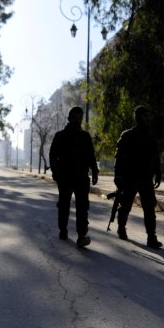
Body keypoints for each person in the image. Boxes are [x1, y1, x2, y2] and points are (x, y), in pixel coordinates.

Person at [48, 106, 99, 248]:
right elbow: (53, 156)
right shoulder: (60, 136)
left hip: (81, 177)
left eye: (80, 117)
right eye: (75, 117)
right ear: (69, 118)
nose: (78, 120)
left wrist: (94, 171)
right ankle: (63, 230)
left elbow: (91, 156)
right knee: (64, 205)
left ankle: (81, 235)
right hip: (65, 177)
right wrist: (55, 173)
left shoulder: (85, 136)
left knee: (82, 207)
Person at [114, 105, 163, 248]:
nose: (146, 118)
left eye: (148, 116)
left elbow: (156, 156)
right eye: (143, 115)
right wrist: (118, 176)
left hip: (146, 178)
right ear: (137, 117)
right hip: (130, 178)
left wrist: (158, 173)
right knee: (126, 205)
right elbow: (119, 158)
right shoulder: (127, 135)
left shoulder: (151, 136)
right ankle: (121, 227)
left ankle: (151, 237)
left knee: (149, 208)